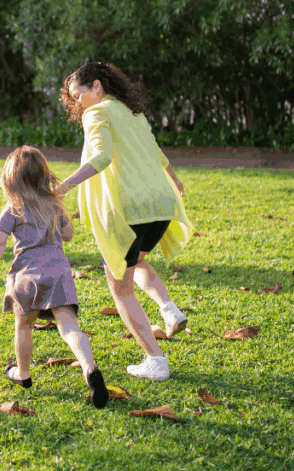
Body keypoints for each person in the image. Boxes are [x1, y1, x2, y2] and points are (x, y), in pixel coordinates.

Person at [55, 61, 194, 382]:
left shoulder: (97, 112)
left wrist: (63, 186)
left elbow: (100, 157)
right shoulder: (134, 113)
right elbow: (158, 153)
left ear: (98, 87)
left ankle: (155, 361)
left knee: (120, 287)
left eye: (79, 95)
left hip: (131, 209)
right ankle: (168, 309)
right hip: (161, 204)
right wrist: (175, 181)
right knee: (136, 261)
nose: (77, 103)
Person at [0, 146, 109, 409]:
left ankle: (23, 374)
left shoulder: (13, 207)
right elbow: (68, 234)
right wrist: (61, 212)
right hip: (58, 271)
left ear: (10, 179)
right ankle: (90, 368)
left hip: (26, 273)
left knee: (24, 326)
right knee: (70, 327)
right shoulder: (53, 204)